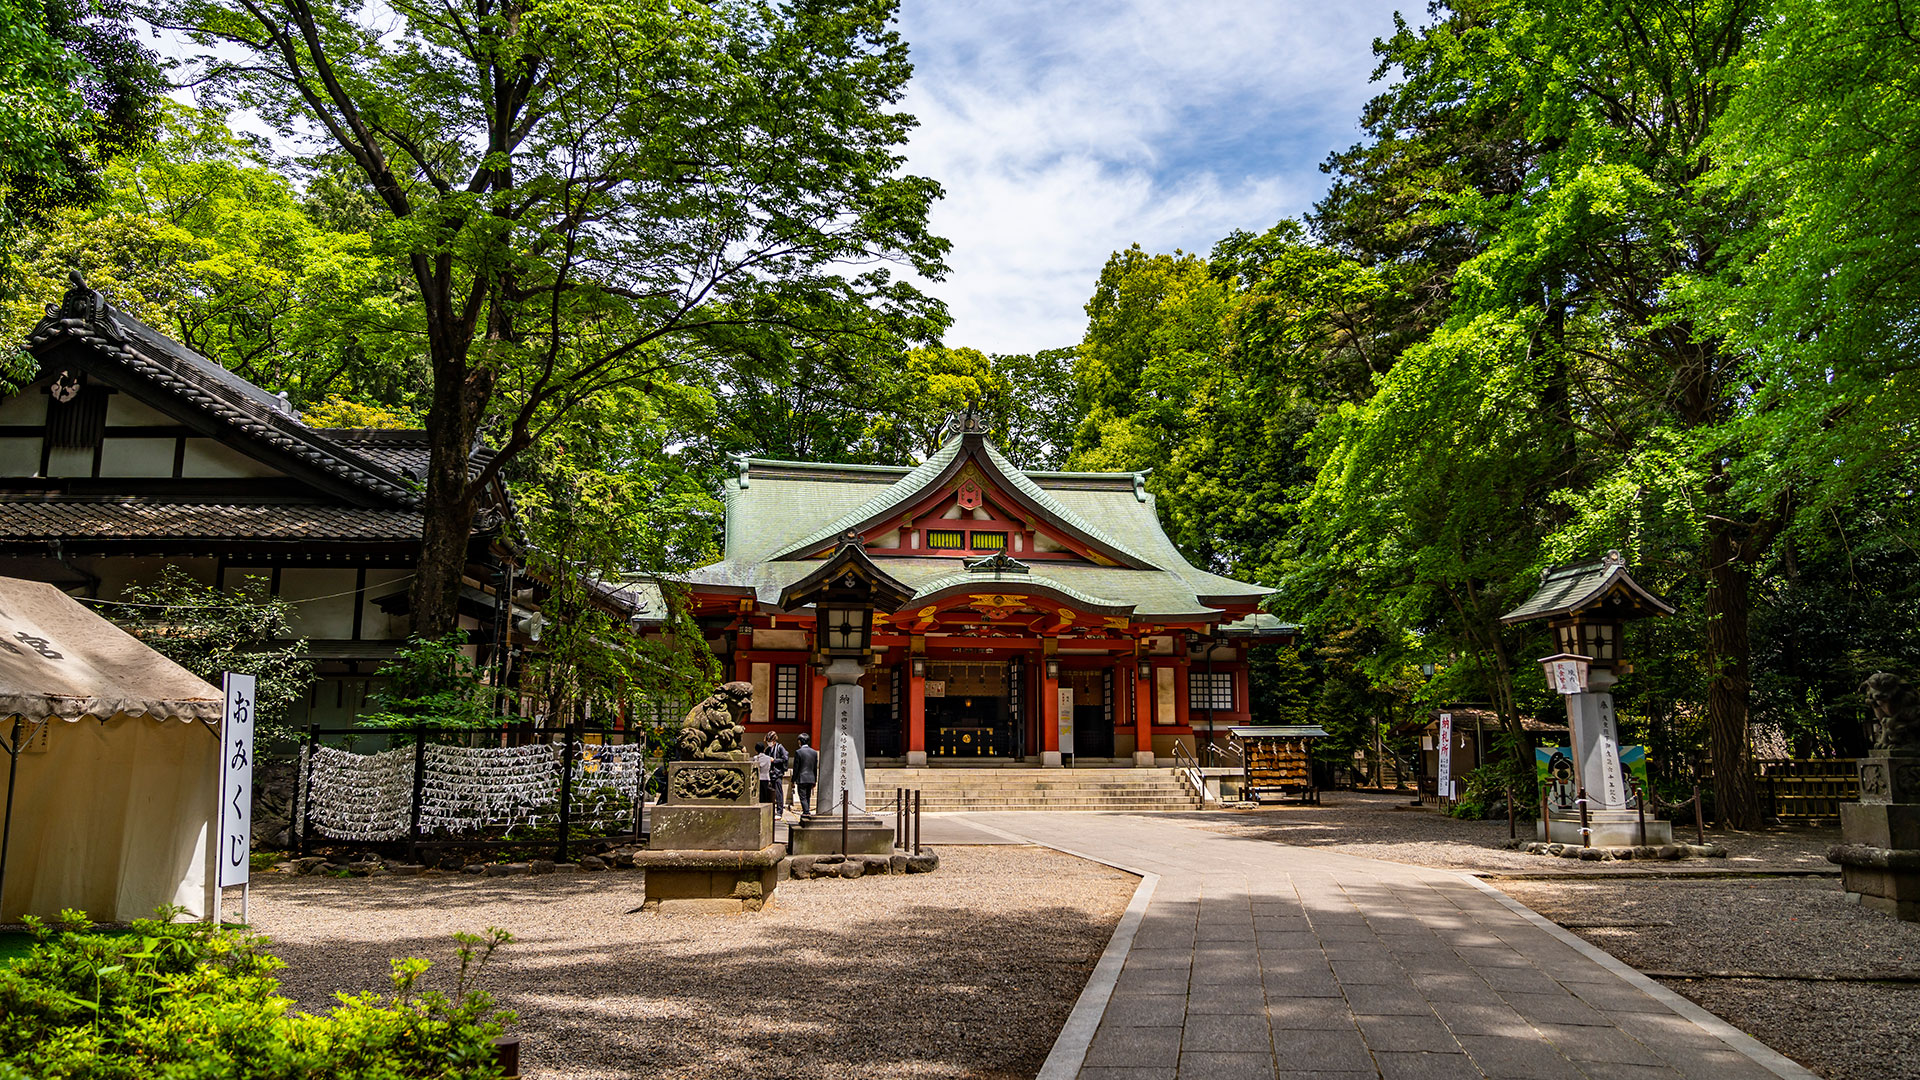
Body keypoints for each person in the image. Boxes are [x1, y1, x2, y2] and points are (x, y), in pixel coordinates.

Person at [792, 733, 818, 817]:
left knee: (802, 796)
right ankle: (806, 811)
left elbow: (796, 768)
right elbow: (815, 768)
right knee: (807, 796)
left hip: (802, 778)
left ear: (800, 741)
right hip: (811, 778)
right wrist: (815, 780)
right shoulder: (814, 752)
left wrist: (793, 780)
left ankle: (806, 812)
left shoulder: (798, 752)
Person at [767, 734, 790, 817]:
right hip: (771, 773)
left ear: (774, 741)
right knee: (771, 792)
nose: (768, 743)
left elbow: (785, 758)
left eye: (770, 741)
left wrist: (774, 761)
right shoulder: (768, 749)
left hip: (777, 773)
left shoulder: (780, 747)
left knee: (778, 792)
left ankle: (779, 811)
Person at [751, 742, 774, 806]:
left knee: (759, 797)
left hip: (758, 779)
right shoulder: (768, 758)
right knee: (766, 796)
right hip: (766, 778)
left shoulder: (755, 758)